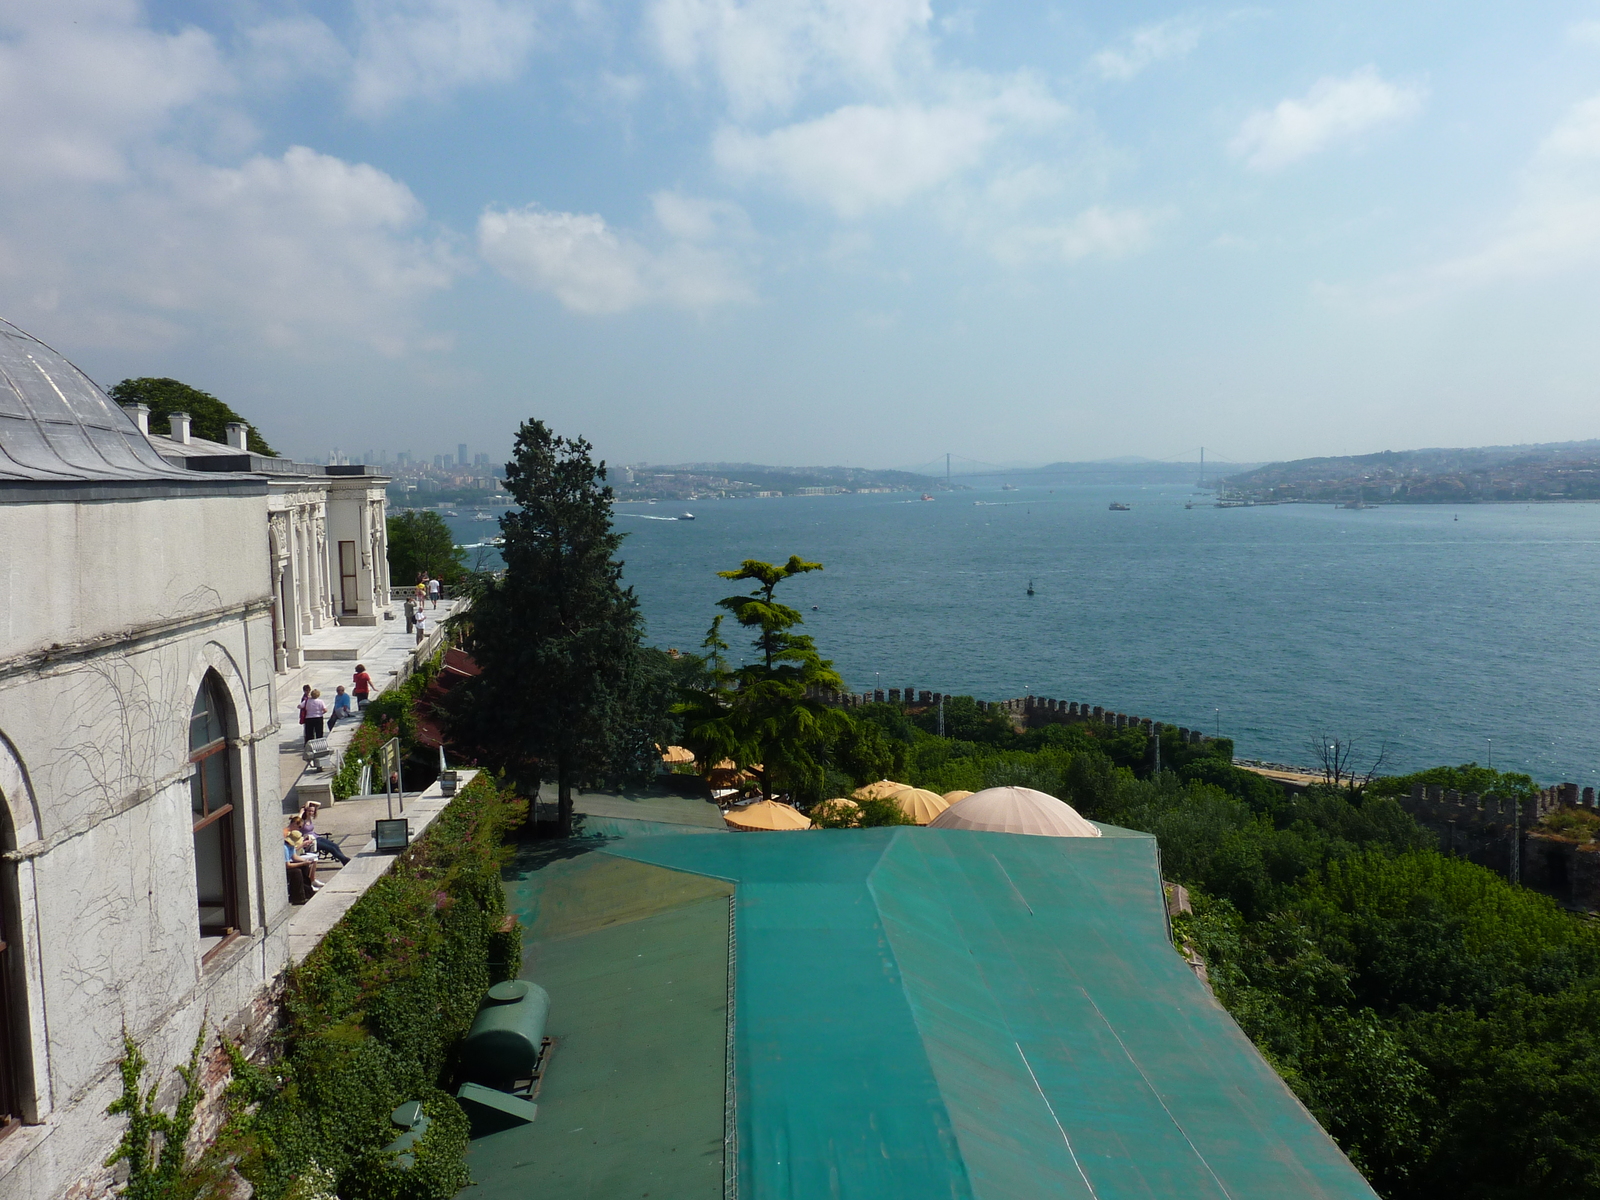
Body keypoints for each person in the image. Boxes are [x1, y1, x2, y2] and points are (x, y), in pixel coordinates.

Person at [297, 801, 349, 865]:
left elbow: (319, 804)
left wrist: (309, 801)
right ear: (306, 811)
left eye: (312, 811)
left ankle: (344, 860)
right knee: (331, 848)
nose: (311, 812)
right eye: (309, 811)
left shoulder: (309, 818)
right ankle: (346, 860)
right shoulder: (302, 820)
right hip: (310, 841)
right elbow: (296, 821)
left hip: (316, 837)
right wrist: (301, 812)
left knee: (335, 846)